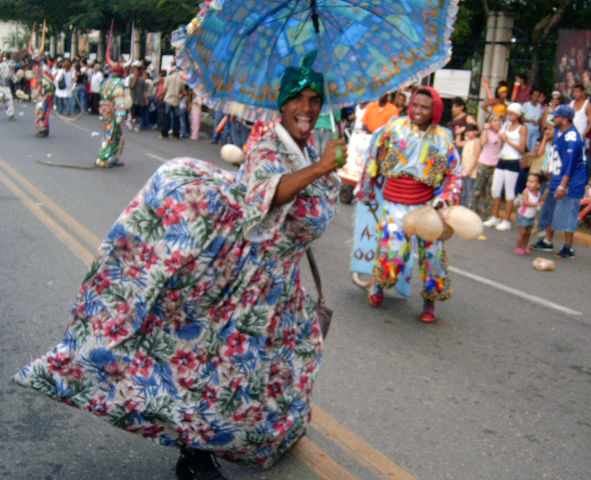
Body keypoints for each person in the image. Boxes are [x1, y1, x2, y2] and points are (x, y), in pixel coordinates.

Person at [13, 51, 344, 479]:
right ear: (282, 104)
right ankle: (195, 455)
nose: (308, 107)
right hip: (245, 287)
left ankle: (263, 436)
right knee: (211, 369)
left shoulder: (310, 150)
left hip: (281, 290)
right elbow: (266, 197)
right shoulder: (268, 145)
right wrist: (320, 169)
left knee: (277, 370)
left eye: (316, 100)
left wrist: (323, 168)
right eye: (300, 98)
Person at [356, 87, 460, 323]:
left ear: (435, 111)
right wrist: (367, 188)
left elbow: (454, 173)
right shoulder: (395, 127)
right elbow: (374, 156)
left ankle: (429, 303)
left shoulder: (443, 138)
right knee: (393, 253)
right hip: (394, 204)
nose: (418, 111)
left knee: (433, 255)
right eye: (415, 105)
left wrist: (446, 197)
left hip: (427, 206)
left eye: (425, 107)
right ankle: (378, 285)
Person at [531, 105, 588, 258]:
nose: (554, 118)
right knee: (550, 209)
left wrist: (562, 186)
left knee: (567, 213)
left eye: (557, 116)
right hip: (557, 176)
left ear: (564, 119)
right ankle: (548, 241)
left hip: (571, 181)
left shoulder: (572, 138)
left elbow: (569, 166)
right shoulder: (559, 132)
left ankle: (569, 247)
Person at [484, 102, 527, 231]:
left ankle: (507, 219)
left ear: (518, 115)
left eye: (512, 114)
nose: (510, 116)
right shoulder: (506, 125)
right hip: (502, 159)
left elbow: (522, 148)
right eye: (508, 113)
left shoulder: (522, 128)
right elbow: (499, 134)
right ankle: (495, 216)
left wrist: (508, 140)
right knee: (495, 189)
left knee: (509, 191)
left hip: (513, 160)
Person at [471, 114, 504, 219]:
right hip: (484, 163)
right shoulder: (487, 132)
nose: (497, 123)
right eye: (494, 121)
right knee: (478, 189)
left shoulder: (502, 134)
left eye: (498, 121)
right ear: (489, 123)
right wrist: (485, 129)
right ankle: (473, 211)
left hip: (495, 165)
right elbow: (483, 142)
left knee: (490, 191)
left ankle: (486, 214)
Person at [95, 60, 127, 168]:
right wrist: (120, 114)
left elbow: (102, 94)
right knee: (111, 134)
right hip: (113, 112)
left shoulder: (106, 82)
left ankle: (114, 157)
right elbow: (119, 98)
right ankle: (105, 156)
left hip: (106, 110)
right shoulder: (119, 83)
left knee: (115, 133)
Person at [515, 172, 543, 254]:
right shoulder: (526, 192)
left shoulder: (538, 194)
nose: (528, 184)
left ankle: (524, 246)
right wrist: (537, 204)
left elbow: (539, 203)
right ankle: (518, 247)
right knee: (523, 232)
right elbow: (526, 202)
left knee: (528, 233)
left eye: (532, 182)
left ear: (538, 185)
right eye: (528, 181)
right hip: (523, 215)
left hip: (531, 216)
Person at [456, 124, 481, 208]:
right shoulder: (467, 141)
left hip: (472, 172)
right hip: (464, 170)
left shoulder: (476, 142)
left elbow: (477, 158)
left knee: (470, 191)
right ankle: (462, 207)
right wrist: (459, 133)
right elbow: (458, 143)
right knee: (464, 191)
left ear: (475, 132)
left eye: (470, 131)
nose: (468, 133)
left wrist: (470, 170)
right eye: (467, 131)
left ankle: (470, 208)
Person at [160, 65, 185, 140]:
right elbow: (182, 91)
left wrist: (163, 95)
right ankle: (176, 134)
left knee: (166, 117)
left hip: (168, 99)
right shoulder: (181, 80)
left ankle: (165, 134)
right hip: (176, 100)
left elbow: (164, 90)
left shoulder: (168, 78)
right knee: (176, 118)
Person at [34, 68, 55, 136]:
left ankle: (43, 129)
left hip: (46, 98)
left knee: (43, 113)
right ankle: (43, 128)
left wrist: (43, 95)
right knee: (43, 112)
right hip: (45, 97)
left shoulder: (44, 80)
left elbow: (49, 89)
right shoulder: (43, 78)